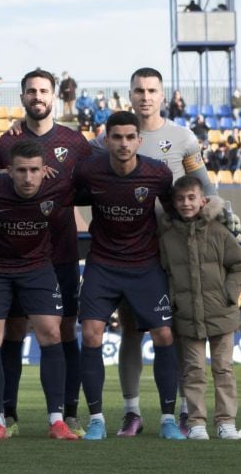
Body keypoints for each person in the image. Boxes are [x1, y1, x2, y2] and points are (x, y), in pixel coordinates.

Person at [96, 67, 241, 438]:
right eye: (138, 90)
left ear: (163, 95)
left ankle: (184, 411)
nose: (145, 96)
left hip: (175, 248)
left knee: (176, 332)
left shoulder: (181, 137)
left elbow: (206, 188)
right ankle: (132, 411)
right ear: (128, 95)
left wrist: (226, 213)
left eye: (151, 90)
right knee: (131, 329)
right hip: (129, 249)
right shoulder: (109, 138)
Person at [0, 68, 94, 437]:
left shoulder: (75, 141)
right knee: (14, 330)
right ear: (21, 97)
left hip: (61, 253)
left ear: (54, 96)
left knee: (66, 330)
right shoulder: (6, 143)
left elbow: (92, 188)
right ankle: (8, 413)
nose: (38, 96)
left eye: (43, 90)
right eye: (31, 91)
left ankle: (68, 412)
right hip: (16, 255)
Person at [0, 140, 79, 441]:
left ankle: (57, 421)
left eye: (34, 170)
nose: (28, 177)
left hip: (36, 266)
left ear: (44, 170)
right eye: (21, 170)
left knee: (52, 333)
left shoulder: (59, 186)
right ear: (9, 171)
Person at [74, 111, 185, 441]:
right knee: (92, 334)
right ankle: (96, 419)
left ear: (139, 140)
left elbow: (176, 209)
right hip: (103, 263)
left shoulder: (158, 173)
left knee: (164, 335)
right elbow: (65, 194)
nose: (123, 143)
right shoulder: (89, 170)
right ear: (106, 140)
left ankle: (167, 419)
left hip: (144, 265)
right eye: (116, 137)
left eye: (129, 137)